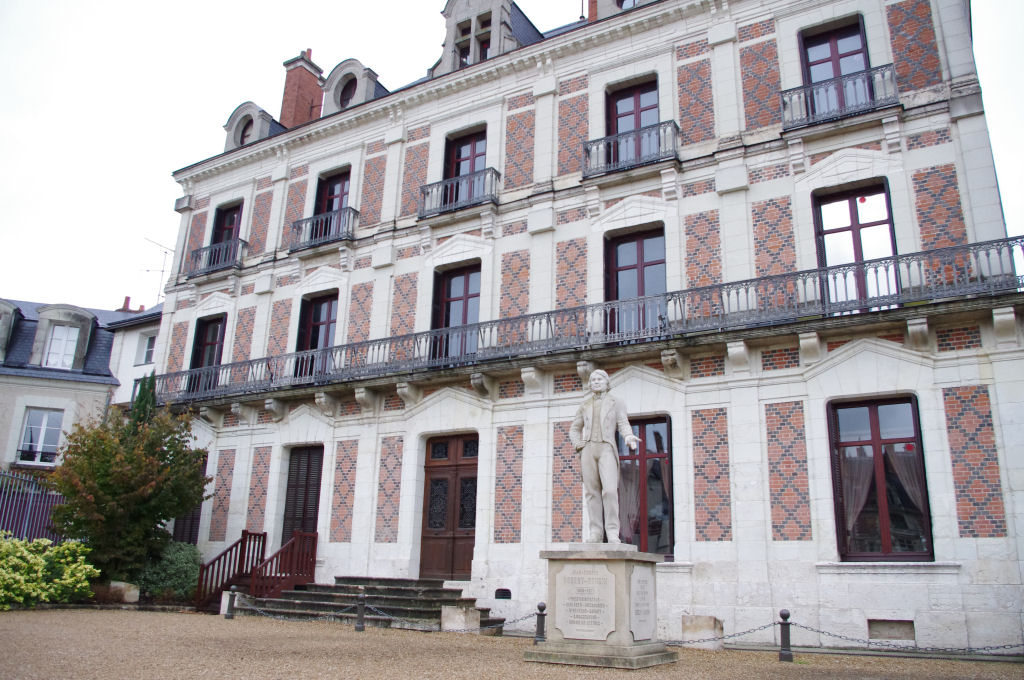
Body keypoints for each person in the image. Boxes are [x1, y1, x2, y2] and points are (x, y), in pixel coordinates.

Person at [569, 370, 639, 543]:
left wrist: (628, 437)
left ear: (607, 383)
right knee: (592, 493)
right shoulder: (584, 405)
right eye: (593, 380)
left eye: (599, 379)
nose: (596, 382)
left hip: (606, 447)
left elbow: (623, 423)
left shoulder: (616, 402)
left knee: (609, 491)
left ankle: (613, 531)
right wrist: (579, 444)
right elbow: (574, 428)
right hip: (588, 450)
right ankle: (596, 532)